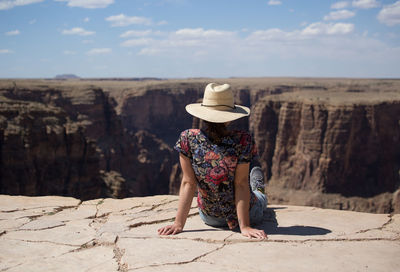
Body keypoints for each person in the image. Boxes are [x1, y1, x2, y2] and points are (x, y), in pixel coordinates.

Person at [158, 83, 268, 239]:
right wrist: (245, 226)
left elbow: (188, 183)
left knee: (248, 186)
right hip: (248, 214)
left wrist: (178, 223)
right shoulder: (244, 140)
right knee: (259, 198)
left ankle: (257, 188)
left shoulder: (187, 138)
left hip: (210, 218)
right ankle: (259, 189)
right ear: (230, 116)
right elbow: (241, 184)